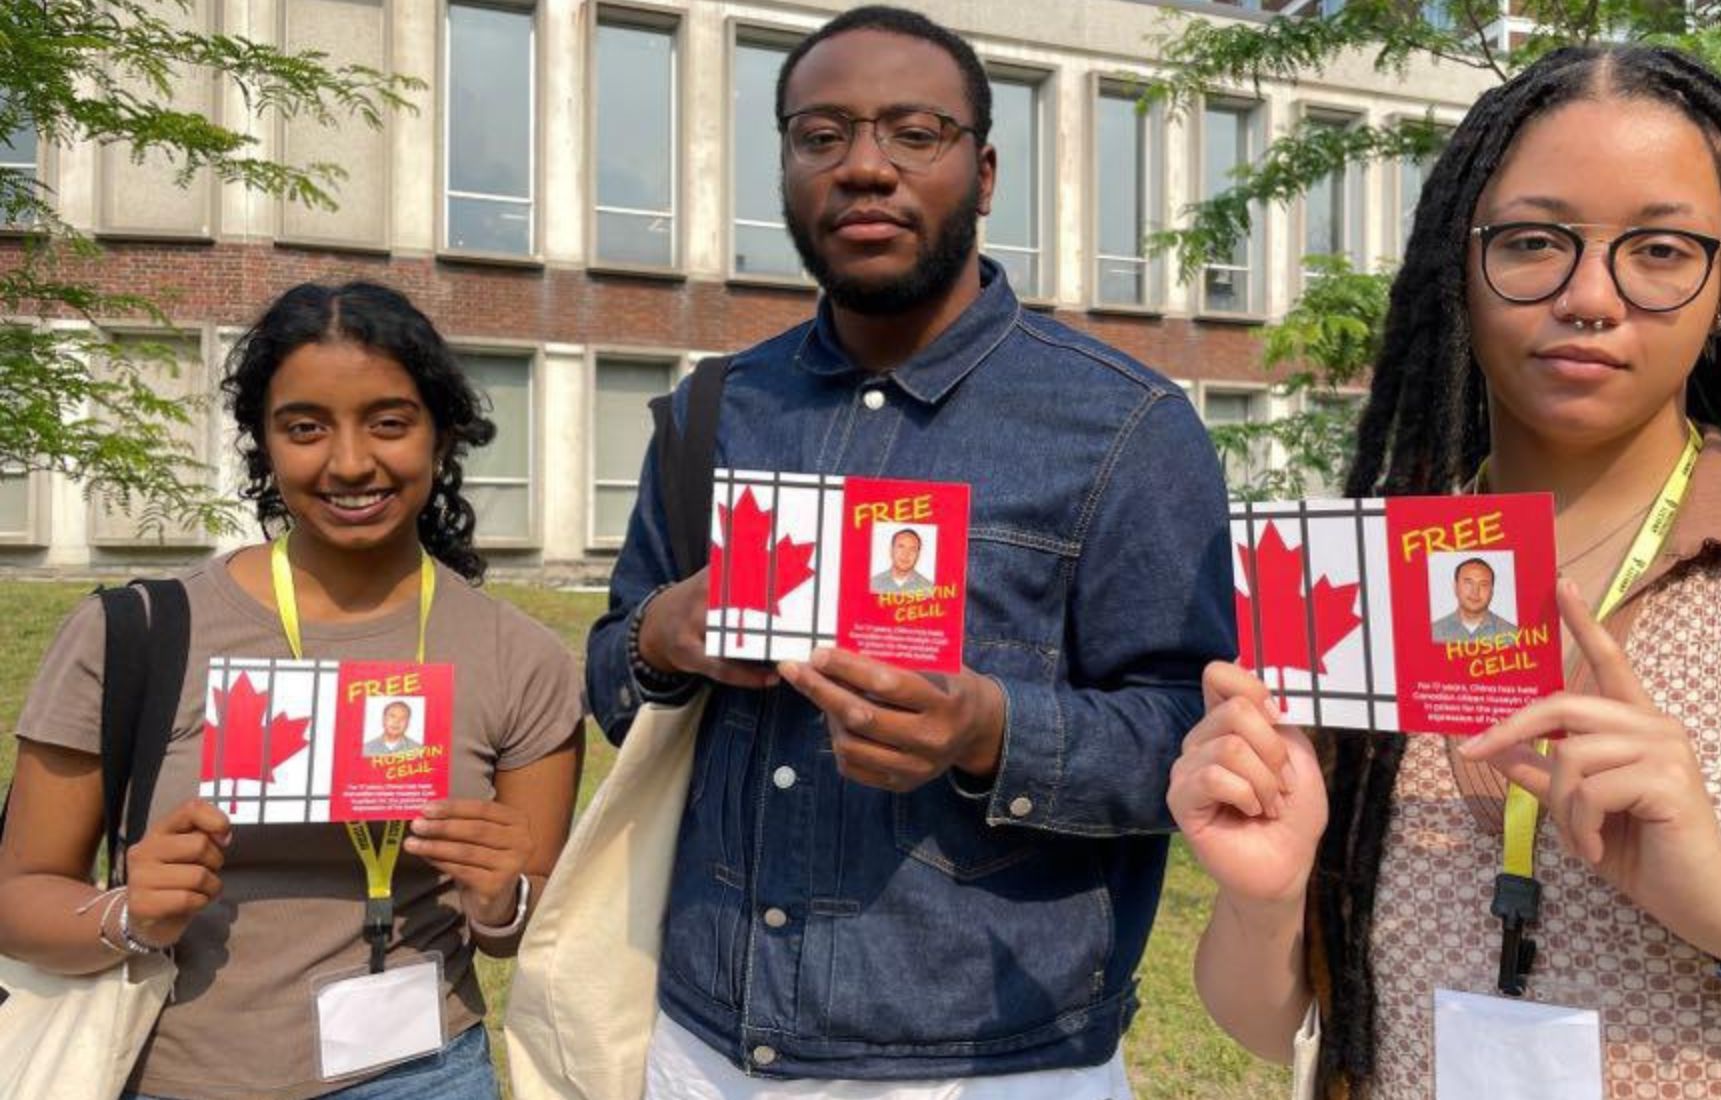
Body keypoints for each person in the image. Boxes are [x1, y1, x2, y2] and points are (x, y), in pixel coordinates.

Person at [1168, 45, 1721, 1100]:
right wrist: (1262, 896)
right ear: (1455, 264)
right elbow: (1276, 1018)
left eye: (1657, 250)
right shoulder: (1355, 584)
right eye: (1531, 242)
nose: (1589, 296)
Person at [584, 6, 1233, 1096]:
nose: (863, 168)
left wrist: (990, 730)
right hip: (703, 1043)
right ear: (785, 165)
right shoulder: (714, 410)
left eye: (912, 133)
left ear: (981, 175)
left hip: (988, 1058)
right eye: (820, 135)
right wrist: (658, 634)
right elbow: (611, 685)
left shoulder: (1124, 426)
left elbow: (1194, 730)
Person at [0, 281, 585, 1100]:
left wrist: (503, 898)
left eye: (389, 422)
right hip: (175, 1073)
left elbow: (527, 924)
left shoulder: (522, 659)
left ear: (442, 436)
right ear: (264, 445)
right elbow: (17, 897)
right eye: (305, 428)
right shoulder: (130, 634)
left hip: (421, 1075)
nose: (349, 462)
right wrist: (130, 914)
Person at [1429, 557, 1514, 642]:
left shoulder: (1512, 635)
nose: (1475, 592)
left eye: (1483, 584)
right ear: (1455, 587)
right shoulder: (1434, 632)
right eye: (1468, 583)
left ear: (1491, 591)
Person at [868, 527, 932, 594]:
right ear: (891, 550)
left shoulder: (929, 589)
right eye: (901, 547)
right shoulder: (873, 584)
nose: (906, 554)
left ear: (918, 555)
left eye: (912, 549)